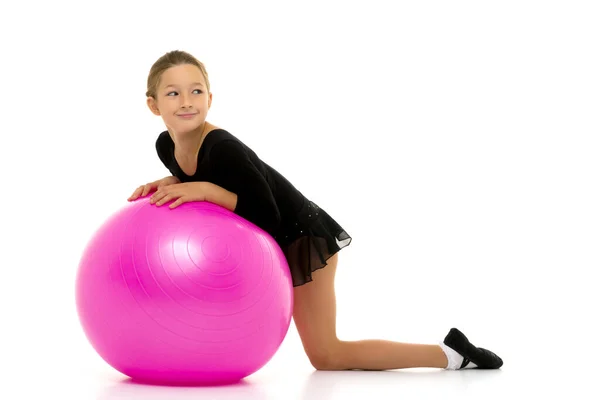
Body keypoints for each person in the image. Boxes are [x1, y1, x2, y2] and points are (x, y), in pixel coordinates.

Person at [127, 50, 503, 372]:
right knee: (326, 357)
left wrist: (205, 189)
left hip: (304, 237)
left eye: (195, 91)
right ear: (153, 105)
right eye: (173, 94)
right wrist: (175, 181)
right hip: (271, 245)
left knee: (327, 354)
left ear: (210, 97)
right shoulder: (166, 146)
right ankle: (450, 354)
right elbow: (213, 179)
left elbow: (266, 214)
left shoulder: (223, 146)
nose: (186, 102)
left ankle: (452, 354)